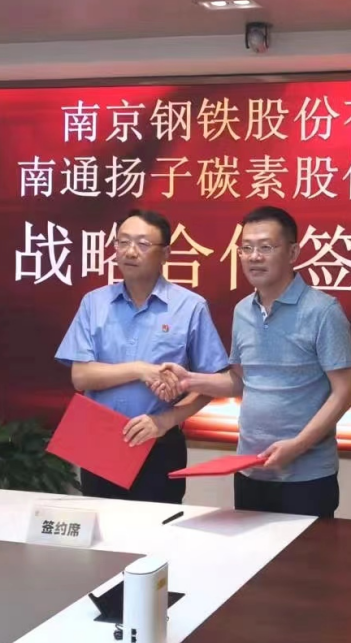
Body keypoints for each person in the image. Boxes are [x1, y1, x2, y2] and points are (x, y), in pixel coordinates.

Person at [153, 206, 351, 518]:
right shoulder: (242, 311)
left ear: (292, 253)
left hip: (306, 476)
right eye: (246, 248)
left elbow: (345, 392)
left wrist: (297, 446)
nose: (254, 257)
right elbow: (239, 381)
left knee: (307, 552)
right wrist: (189, 380)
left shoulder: (323, 311)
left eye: (266, 247)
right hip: (249, 468)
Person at [55, 209, 229, 504]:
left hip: (159, 442)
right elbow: (80, 376)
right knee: (101, 527)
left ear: (166, 254)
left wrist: (165, 420)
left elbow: (213, 383)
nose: (130, 251)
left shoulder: (190, 307)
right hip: (99, 440)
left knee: (157, 528)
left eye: (143, 244)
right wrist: (139, 369)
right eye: (123, 242)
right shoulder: (94, 303)